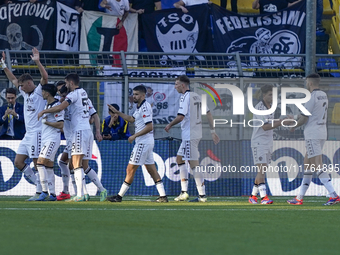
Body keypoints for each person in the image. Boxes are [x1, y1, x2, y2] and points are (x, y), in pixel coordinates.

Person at [37, 73, 104, 202]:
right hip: (83, 132)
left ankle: (80, 194)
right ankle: (90, 191)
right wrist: (97, 130)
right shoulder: (83, 93)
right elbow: (93, 115)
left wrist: (44, 111)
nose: (65, 87)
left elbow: (61, 107)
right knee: (77, 164)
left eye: (66, 84)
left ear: (71, 84)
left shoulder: (72, 96)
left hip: (78, 132)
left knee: (76, 164)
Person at [106, 85, 168, 203]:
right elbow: (131, 119)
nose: (134, 96)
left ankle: (119, 197)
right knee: (152, 170)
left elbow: (149, 127)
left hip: (143, 143)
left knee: (130, 169)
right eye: (133, 94)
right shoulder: (139, 107)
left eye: (136, 94)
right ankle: (163, 196)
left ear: (143, 95)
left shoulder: (145, 107)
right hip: (146, 142)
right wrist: (118, 113)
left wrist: (134, 136)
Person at [1, 48, 47, 201]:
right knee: (18, 162)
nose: (20, 88)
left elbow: (45, 77)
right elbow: (13, 79)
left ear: (29, 83)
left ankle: (41, 192)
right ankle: (38, 187)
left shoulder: (39, 92)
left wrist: (37, 61)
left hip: (37, 133)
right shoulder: (25, 91)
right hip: (28, 134)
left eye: (22, 86)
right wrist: (3, 65)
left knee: (36, 162)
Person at [165, 75, 220, 202]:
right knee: (180, 159)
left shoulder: (185, 97)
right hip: (193, 134)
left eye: (177, 84)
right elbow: (209, 113)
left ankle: (202, 196)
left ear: (183, 85)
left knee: (193, 163)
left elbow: (180, 117)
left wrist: (169, 125)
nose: (175, 86)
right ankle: (184, 192)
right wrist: (212, 131)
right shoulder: (197, 95)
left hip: (190, 135)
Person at [288, 73, 340, 206]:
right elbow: (308, 113)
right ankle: (299, 197)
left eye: (306, 82)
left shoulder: (312, 97)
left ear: (309, 83)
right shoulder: (323, 95)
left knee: (317, 164)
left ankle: (333, 195)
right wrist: (294, 117)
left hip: (313, 134)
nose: (306, 84)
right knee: (308, 164)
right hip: (322, 132)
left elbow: (305, 118)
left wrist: (293, 125)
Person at [54, 81, 107, 202]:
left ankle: (78, 193)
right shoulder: (75, 98)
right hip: (78, 135)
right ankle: (98, 190)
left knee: (73, 164)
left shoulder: (72, 99)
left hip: (76, 136)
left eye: (61, 92)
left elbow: (94, 116)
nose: (60, 95)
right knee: (79, 165)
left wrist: (98, 130)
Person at [248, 85, 294, 204]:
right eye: (270, 94)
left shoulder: (271, 107)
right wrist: (283, 122)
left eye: (273, 94)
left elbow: (271, 122)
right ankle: (264, 197)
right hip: (259, 142)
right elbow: (265, 126)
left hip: (268, 142)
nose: (272, 97)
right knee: (262, 169)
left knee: (262, 170)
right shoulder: (259, 108)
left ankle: (253, 196)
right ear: (264, 95)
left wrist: (283, 119)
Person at [36, 84, 64, 201]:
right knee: (48, 166)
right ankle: (52, 194)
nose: (42, 94)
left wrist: (47, 123)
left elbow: (61, 124)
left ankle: (44, 191)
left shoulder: (57, 105)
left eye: (43, 92)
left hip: (52, 139)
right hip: (46, 139)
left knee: (40, 163)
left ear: (47, 93)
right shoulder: (48, 105)